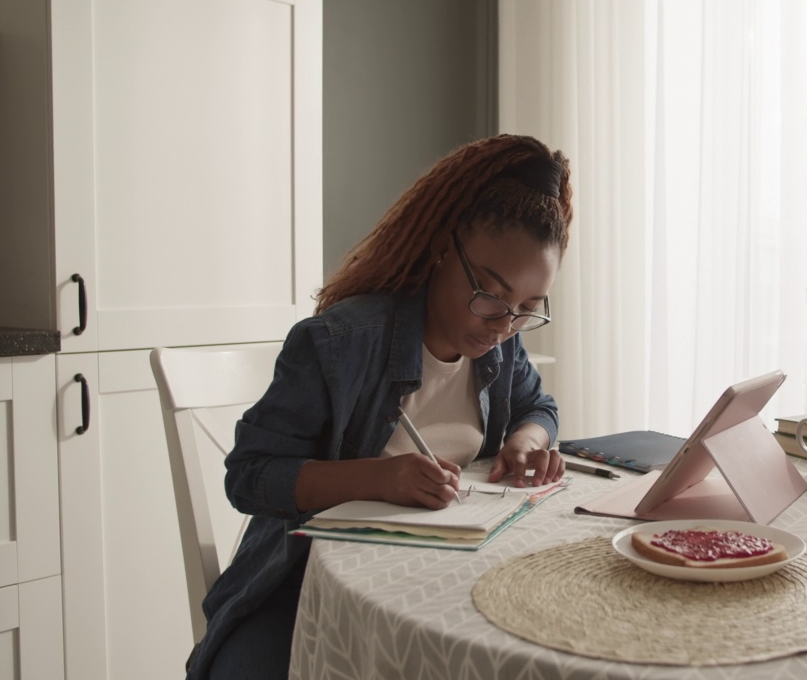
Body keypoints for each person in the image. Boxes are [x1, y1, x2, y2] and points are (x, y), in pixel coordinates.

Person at [187, 134, 573, 679]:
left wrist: (526, 440)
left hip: (441, 576)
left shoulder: (502, 343)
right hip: (306, 584)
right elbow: (249, 477)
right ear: (444, 245)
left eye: (527, 309)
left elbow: (539, 405)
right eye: (489, 295)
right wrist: (377, 478)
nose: (503, 326)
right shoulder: (338, 343)